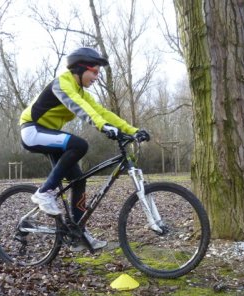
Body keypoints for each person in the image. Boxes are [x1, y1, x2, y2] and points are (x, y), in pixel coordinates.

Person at [19, 47, 150, 251]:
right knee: (79, 144)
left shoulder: (81, 91)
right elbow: (80, 108)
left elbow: (101, 112)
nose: (96, 77)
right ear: (80, 69)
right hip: (33, 131)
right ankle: (44, 192)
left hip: (51, 135)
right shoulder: (63, 83)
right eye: (95, 72)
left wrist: (132, 130)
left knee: (79, 181)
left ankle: (78, 233)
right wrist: (102, 126)